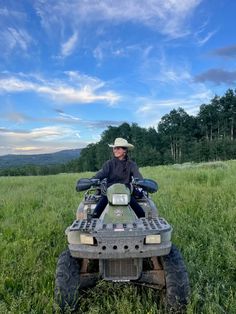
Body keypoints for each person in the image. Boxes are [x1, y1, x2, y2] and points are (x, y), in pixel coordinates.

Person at [91, 137, 145, 218]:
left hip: (126, 193)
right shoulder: (109, 164)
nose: (115, 150)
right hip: (109, 193)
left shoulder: (131, 164)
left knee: (141, 214)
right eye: (114, 148)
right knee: (95, 215)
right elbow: (101, 174)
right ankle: (92, 228)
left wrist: (142, 183)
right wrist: (92, 180)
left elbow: (138, 176)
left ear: (125, 150)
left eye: (118, 148)